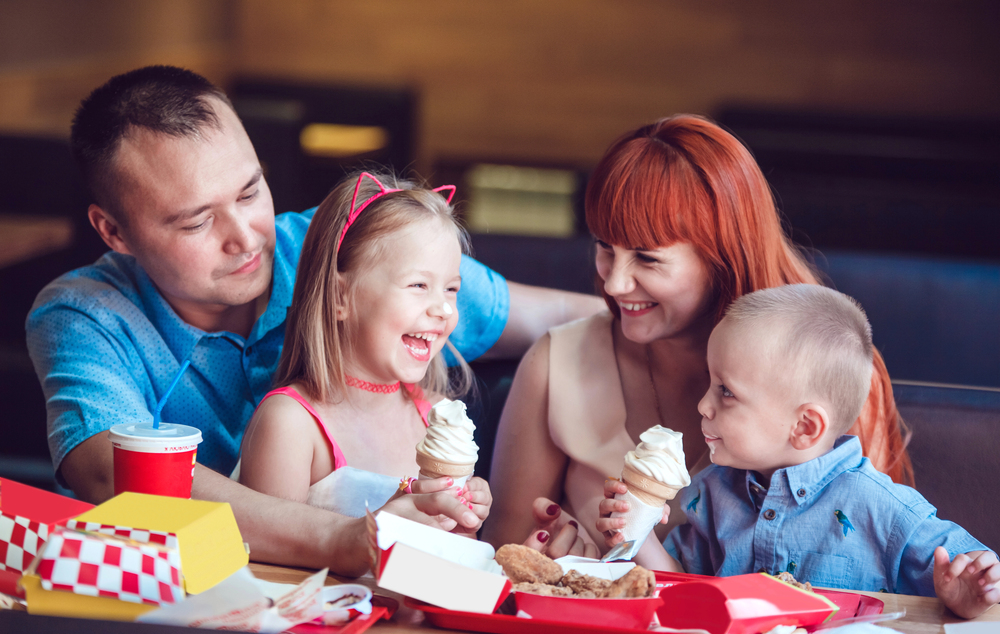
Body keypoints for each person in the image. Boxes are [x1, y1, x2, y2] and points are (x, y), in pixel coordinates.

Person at [26, 66, 602, 574]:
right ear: (114, 231)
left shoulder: (346, 252)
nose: (246, 237)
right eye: (197, 222)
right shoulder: (84, 314)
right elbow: (117, 472)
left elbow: (568, 317)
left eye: (250, 192)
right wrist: (350, 539)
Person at [484, 114, 910, 561]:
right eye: (605, 248)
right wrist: (546, 557)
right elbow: (503, 550)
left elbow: (872, 562)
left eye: (648, 259)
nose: (614, 283)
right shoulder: (556, 363)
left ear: (723, 257)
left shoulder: (829, 370)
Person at [650, 284, 996, 619]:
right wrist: (638, 535)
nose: (703, 405)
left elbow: (977, 572)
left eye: (726, 392)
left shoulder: (880, 507)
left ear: (804, 427)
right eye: (711, 383)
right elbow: (677, 587)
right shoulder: (711, 492)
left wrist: (968, 594)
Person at [239, 169, 491, 535]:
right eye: (418, 285)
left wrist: (464, 525)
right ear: (340, 296)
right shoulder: (291, 424)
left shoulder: (441, 419)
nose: (443, 309)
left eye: (451, 289)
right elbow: (264, 555)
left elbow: (448, 560)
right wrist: (366, 535)